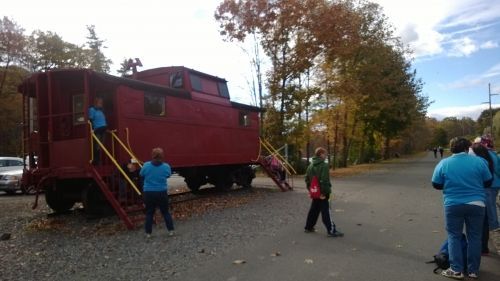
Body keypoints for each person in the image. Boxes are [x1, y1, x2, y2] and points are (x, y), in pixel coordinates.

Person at [431, 137, 491, 279]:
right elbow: (488, 182)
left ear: (451, 148)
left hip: (453, 204)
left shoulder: (444, 163)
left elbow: (436, 184)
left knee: (454, 236)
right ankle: (473, 270)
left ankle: (456, 270)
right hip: (477, 204)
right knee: (475, 237)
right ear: (467, 148)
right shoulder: (479, 162)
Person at [304, 147, 343, 237]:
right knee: (326, 211)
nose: (326, 156)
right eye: (325, 154)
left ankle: (308, 227)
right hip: (323, 193)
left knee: (314, 210)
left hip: (315, 192)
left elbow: (306, 179)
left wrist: (311, 190)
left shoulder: (310, 166)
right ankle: (331, 230)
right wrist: (324, 192)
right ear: (321, 154)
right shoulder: (324, 165)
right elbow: (324, 181)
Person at [140, 147, 174, 237]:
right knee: (165, 212)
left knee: (149, 212)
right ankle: (171, 230)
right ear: (162, 156)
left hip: (149, 192)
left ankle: (148, 233)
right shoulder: (166, 166)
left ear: (152, 155)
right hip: (161, 192)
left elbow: (141, 174)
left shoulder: (146, 165)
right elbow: (168, 175)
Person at [88, 96, 107, 165]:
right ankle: (96, 160)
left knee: (102, 144)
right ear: (96, 103)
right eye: (100, 103)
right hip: (97, 129)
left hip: (103, 128)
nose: (101, 104)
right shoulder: (92, 109)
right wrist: (92, 129)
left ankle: (99, 159)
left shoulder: (100, 110)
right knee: (97, 145)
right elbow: (90, 119)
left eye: (101, 103)